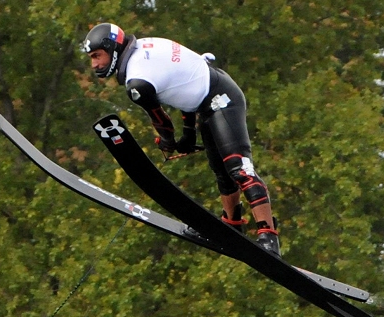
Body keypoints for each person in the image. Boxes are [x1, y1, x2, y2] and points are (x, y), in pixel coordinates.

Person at [81, 23, 280, 257]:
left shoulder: (137, 81)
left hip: (222, 99)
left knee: (240, 169)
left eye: (97, 56)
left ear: (112, 49)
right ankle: (232, 225)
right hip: (205, 99)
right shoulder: (145, 46)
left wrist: (167, 141)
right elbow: (185, 83)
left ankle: (269, 237)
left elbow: (163, 123)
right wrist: (188, 133)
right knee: (222, 172)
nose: (94, 65)